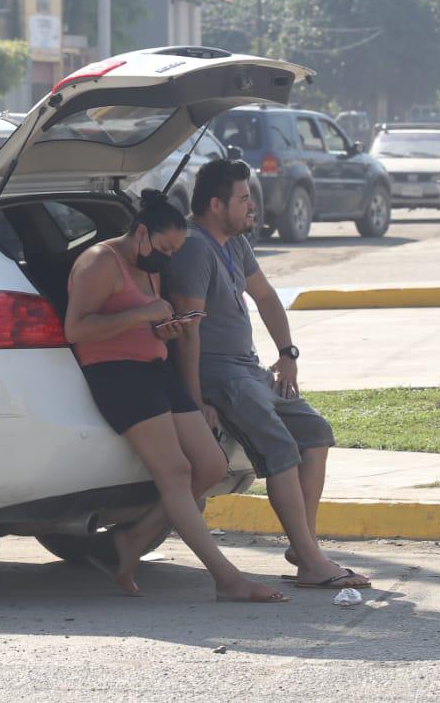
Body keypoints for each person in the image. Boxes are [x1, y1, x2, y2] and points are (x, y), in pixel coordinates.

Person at [63, 189, 286, 602]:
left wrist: (164, 329)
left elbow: (142, 319)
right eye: (165, 248)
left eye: (175, 250)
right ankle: (227, 579)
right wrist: (142, 315)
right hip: (118, 374)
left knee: (210, 465)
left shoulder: (149, 263)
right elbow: (76, 330)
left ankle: (128, 543)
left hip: (156, 369)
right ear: (141, 233)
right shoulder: (100, 262)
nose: (167, 258)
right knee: (176, 472)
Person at [163, 159, 370, 591]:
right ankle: (313, 563)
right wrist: (195, 398)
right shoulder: (195, 248)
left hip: (250, 370)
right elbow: (188, 331)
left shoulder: (235, 242)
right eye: (243, 199)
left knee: (315, 433)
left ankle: (303, 546)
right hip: (219, 373)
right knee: (280, 448)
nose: (252, 206)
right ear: (216, 204)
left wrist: (287, 353)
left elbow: (266, 296)